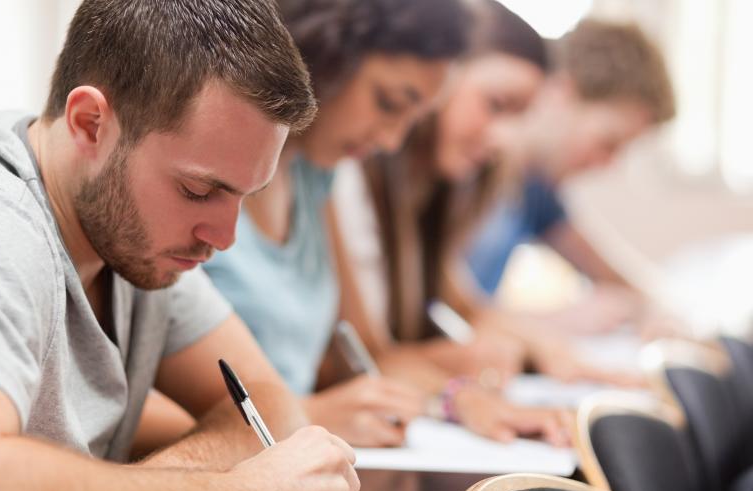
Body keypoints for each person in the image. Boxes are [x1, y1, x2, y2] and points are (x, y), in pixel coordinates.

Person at [0, 1, 360, 491]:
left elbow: (269, 402)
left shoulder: (136, 243)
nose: (225, 237)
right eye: (199, 191)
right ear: (89, 123)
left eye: (243, 196)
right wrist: (229, 489)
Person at [202, 0, 469, 448]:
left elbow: (365, 349)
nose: (390, 140)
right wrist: (305, 415)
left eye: (411, 120)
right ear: (322, 54)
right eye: (387, 103)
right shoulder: (203, 171)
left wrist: (456, 399)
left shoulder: (313, 173)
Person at [328, 0, 574, 444]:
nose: (503, 139)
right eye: (496, 104)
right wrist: (454, 388)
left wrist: (549, 351)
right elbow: (361, 355)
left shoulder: (427, 196)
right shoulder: (345, 174)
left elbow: (466, 306)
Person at [465, 19, 677, 337]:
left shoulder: (535, 190)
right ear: (561, 93)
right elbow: (434, 316)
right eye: (608, 143)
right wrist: (554, 322)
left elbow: (615, 278)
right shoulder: (464, 164)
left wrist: (651, 311)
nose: (607, 164)